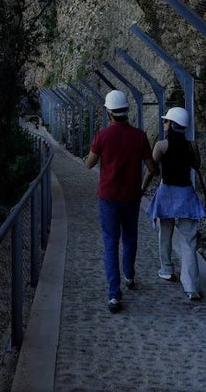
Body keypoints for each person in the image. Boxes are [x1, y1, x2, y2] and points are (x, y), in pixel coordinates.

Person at [84, 89, 156, 313]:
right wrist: (142, 187)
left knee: (110, 242)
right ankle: (129, 275)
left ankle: (114, 294)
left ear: (109, 113)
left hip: (108, 196)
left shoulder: (102, 136)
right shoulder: (139, 136)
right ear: (126, 111)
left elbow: (89, 164)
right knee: (130, 237)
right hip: (131, 196)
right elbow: (152, 167)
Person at [141, 106, 206, 301]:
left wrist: (142, 189)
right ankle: (192, 286)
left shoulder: (161, 146)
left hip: (167, 193)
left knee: (165, 234)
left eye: (166, 121)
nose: (164, 123)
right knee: (189, 241)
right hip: (186, 195)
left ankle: (167, 269)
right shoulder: (192, 145)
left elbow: (151, 169)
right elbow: (197, 166)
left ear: (171, 124)